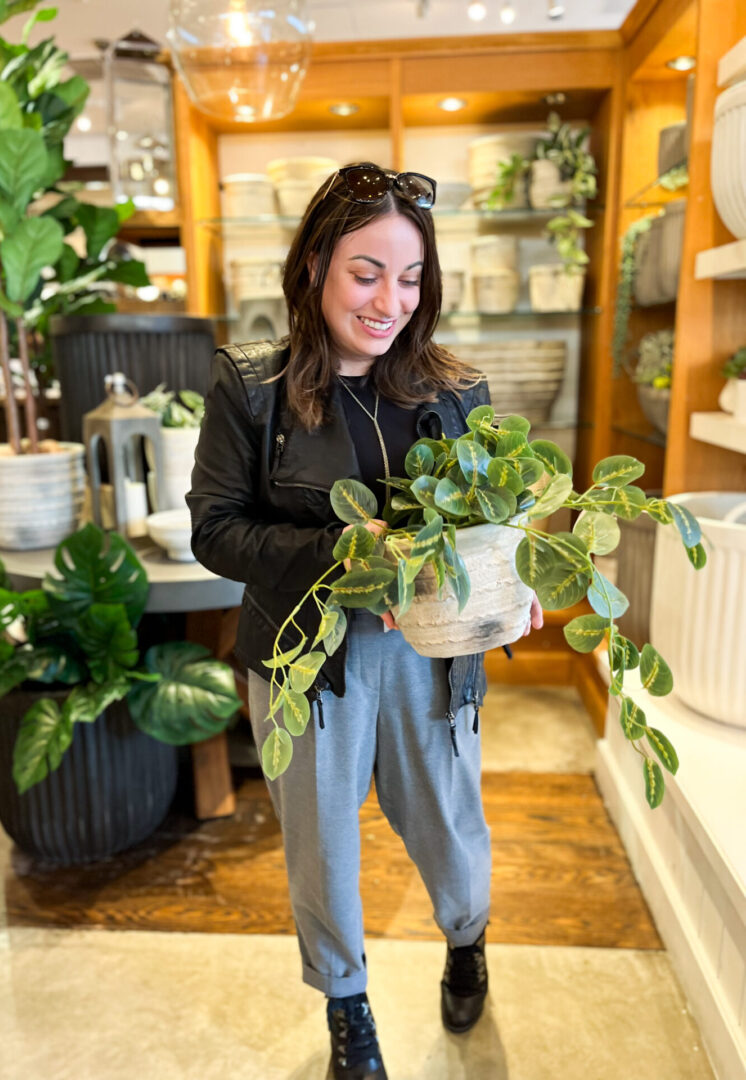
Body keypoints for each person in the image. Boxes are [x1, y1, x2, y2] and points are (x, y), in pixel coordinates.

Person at [188, 162, 543, 1080]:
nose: (391, 300)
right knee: (322, 853)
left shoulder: (456, 390)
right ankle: (348, 1007)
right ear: (314, 266)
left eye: (411, 275)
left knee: (452, 835)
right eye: (366, 271)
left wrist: (511, 577)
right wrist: (343, 555)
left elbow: (488, 523)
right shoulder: (252, 388)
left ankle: (468, 940)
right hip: (308, 660)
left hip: (429, 660)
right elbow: (216, 532)